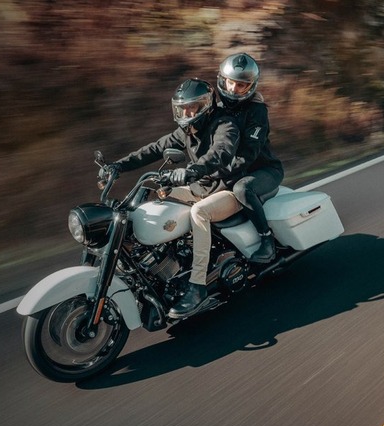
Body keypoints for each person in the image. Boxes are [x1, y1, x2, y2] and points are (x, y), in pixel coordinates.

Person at [103, 78, 248, 319]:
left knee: (198, 213)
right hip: (201, 188)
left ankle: (198, 285)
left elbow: (220, 153)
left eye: (192, 107)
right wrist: (118, 166)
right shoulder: (186, 131)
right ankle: (163, 263)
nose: (187, 113)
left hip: (228, 189)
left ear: (206, 105)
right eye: (183, 108)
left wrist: (192, 171)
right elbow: (154, 148)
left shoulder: (225, 124)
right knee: (154, 195)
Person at [216, 52, 284, 263]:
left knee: (242, 189)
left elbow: (248, 155)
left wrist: (218, 173)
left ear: (251, 86)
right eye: (230, 83)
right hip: (235, 172)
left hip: (264, 171)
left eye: (241, 85)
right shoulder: (217, 110)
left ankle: (267, 242)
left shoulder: (257, 111)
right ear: (222, 80)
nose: (233, 89)